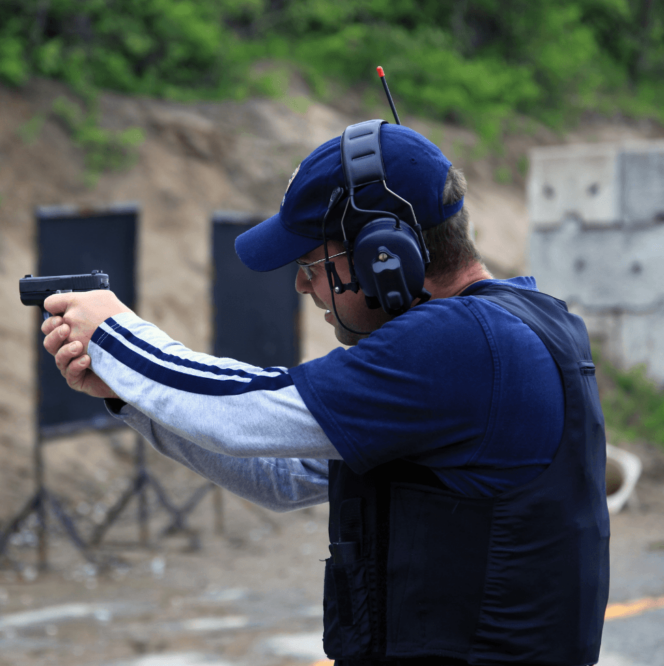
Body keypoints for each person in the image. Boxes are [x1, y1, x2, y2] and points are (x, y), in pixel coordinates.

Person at [40, 122, 609, 666]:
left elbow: (250, 411)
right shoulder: (508, 332)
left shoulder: (464, 344)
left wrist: (116, 335)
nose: (301, 282)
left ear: (383, 254)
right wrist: (127, 396)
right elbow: (284, 475)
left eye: (314, 260)